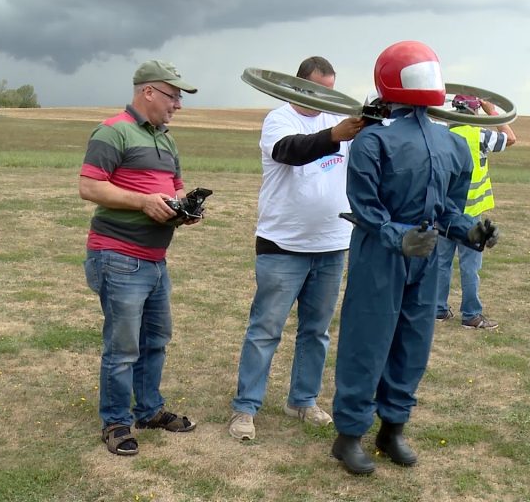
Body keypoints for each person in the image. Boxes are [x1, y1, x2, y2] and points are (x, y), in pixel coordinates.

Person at [330, 41, 500, 474]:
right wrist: (398, 236)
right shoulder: (374, 142)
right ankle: (349, 434)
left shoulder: (449, 145)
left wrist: (470, 230)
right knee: (367, 341)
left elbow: (448, 209)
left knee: (413, 342)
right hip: (381, 257)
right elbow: (367, 210)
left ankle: (392, 428)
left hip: (423, 258)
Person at [228, 57, 365, 441]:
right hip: (282, 245)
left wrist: (371, 125)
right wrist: (335, 135)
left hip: (333, 244)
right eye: (318, 89)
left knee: (316, 331)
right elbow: (290, 151)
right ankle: (245, 408)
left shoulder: (340, 122)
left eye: (330, 90)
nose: (324, 98)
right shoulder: (279, 119)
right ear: (299, 86)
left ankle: (303, 400)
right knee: (265, 329)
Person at [79, 60, 203, 456]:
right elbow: (89, 187)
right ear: (148, 92)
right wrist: (144, 202)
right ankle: (116, 421)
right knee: (123, 347)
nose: (178, 105)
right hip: (118, 257)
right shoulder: (112, 131)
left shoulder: (166, 141)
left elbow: (173, 190)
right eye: (174, 96)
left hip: (154, 260)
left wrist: (184, 212)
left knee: (155, 340)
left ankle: (148, 410)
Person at [436, 95, 517, 329]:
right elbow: (510, 137)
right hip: (470, 213)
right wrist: (493, 112)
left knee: (442, 263)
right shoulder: (479, 134)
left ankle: (439, 309)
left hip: (444, 211)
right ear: (474, 112)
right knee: (470, 265)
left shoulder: (444, 135)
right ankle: (471, 314)